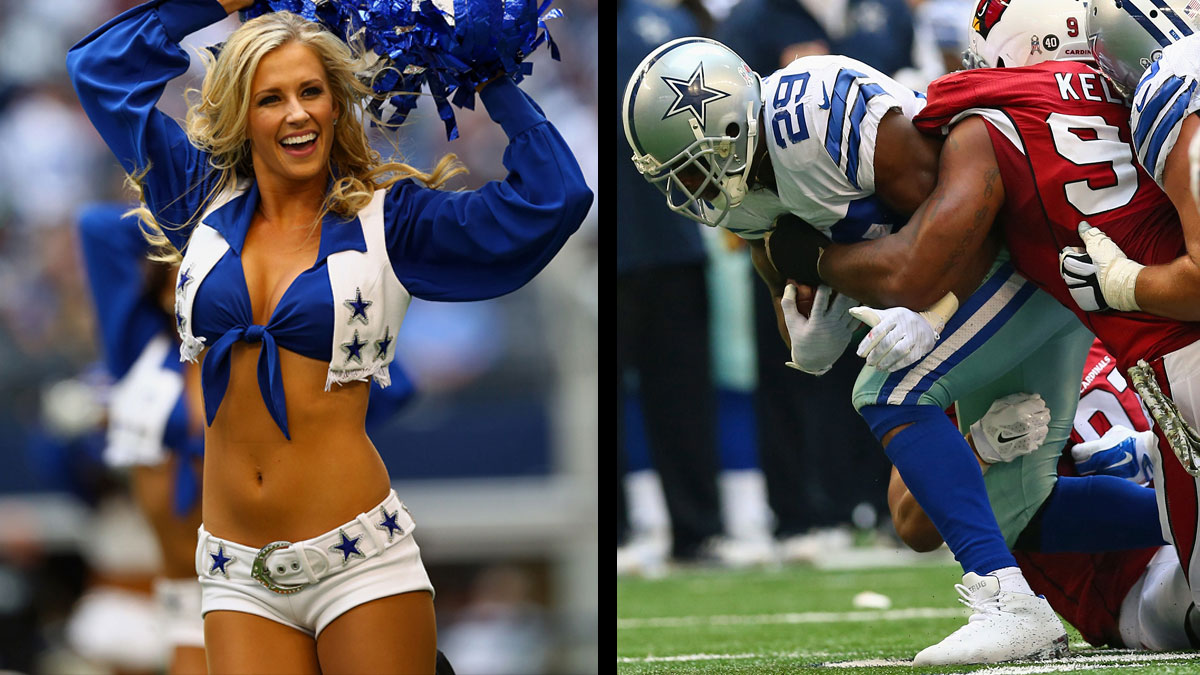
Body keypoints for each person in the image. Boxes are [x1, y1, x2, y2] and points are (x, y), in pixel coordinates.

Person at [67, 1, 592, 673]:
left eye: (312, 91)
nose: (296, 113)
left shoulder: (391, 221)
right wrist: (211, 7)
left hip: (357, 559)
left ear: (339, 104)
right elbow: (100, 70)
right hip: (235, 570)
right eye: (272, 97)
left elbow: (555, 199)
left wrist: (489, 74)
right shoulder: (195, 198)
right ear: (240, 114)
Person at [621, 14, 1092, 663]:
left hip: (1024, 243)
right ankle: (1179, 528)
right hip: (965, 264)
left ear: (729, 130)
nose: (688, 191)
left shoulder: (819, 114)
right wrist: (811, 329)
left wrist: (934, 307)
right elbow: (796, 300)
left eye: (692, 169)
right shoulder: (743, 182)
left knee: (889, 391)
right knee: (1014, 507)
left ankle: (1008, 603)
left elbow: (968, 207)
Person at [782, 0, 1200, 640]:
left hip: (1168, 365)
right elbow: (914, 520)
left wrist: (1128, 286)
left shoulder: (1023, 127)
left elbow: (934, 253)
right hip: (1135, 568)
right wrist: (977, 446)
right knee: (1022, 499)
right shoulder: (1116, 120)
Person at [890, 340, 1195, 651]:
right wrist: (977, 449)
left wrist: (1152, 449)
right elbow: (912, 526)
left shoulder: (1088, 320)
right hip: (1133, 582)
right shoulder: (953, 382)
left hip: (1181, 531)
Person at [616, 0, 726, 569]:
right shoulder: (556, 34)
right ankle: (617, 534)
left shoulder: (668, 24)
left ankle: (698, 528)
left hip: (674, 238)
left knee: (683, 397)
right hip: (605, 248)